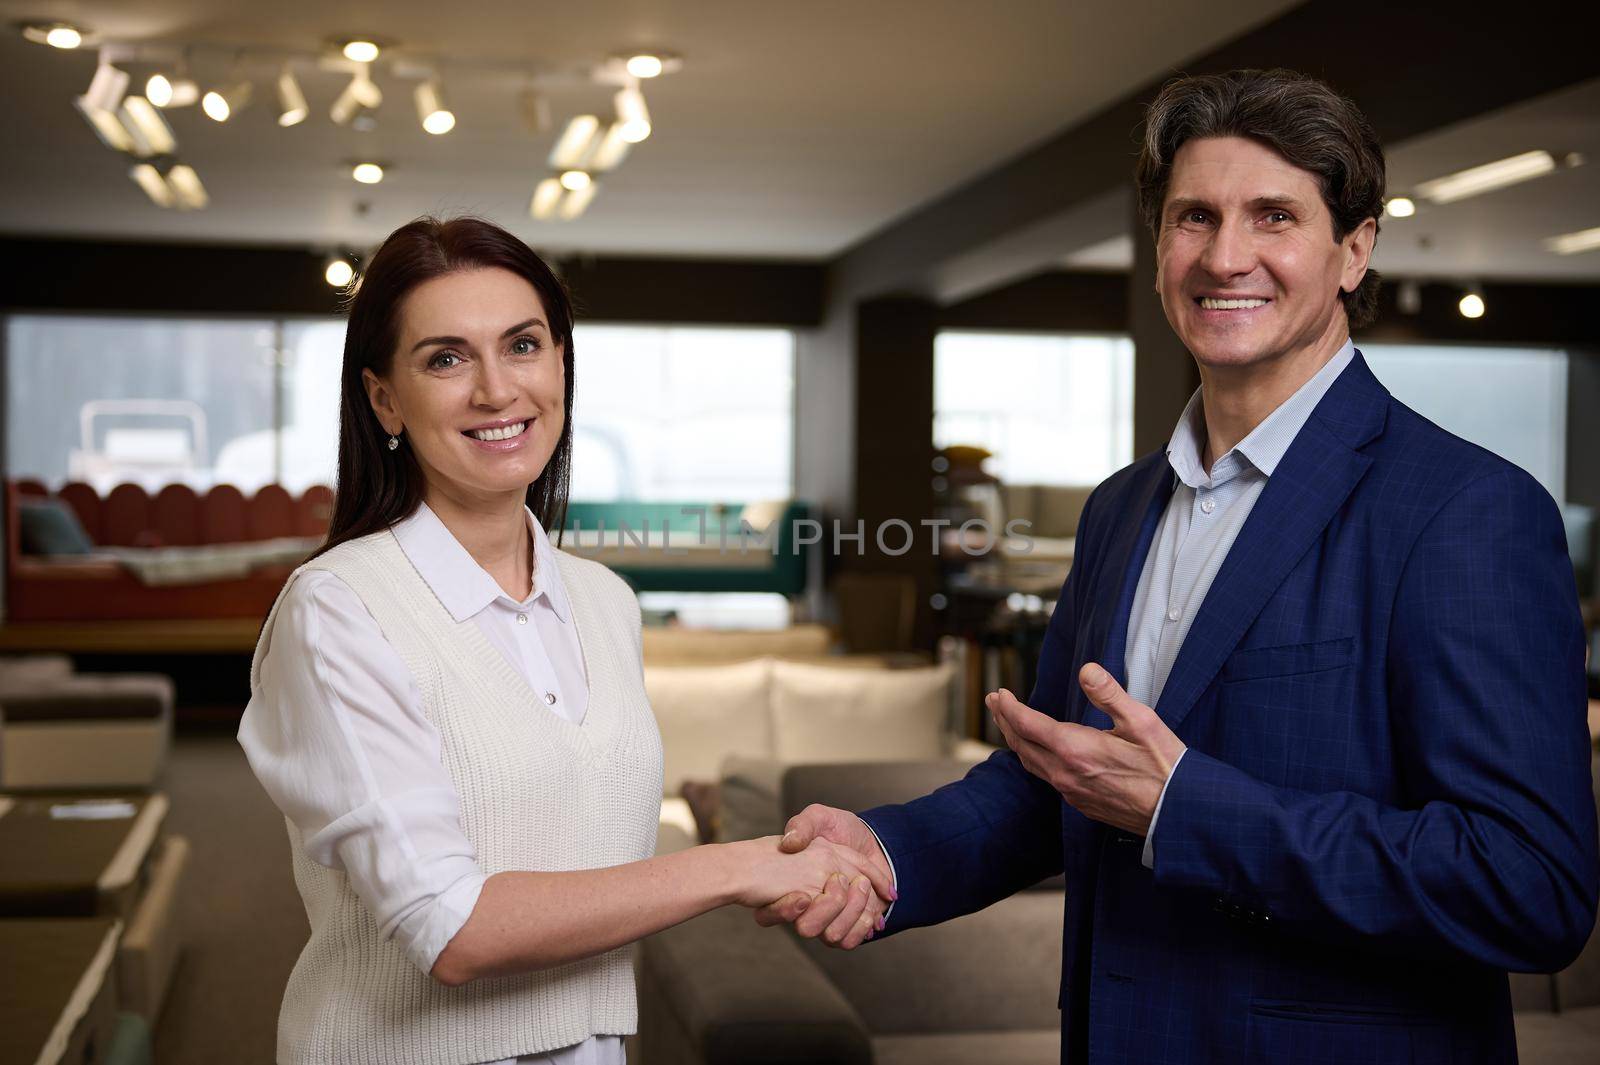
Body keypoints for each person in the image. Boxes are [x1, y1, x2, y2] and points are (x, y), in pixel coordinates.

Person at [760, 69, 1599, 1063]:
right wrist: (891, 851)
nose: (1224, 256)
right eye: (1192, 217)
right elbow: (1060, 782)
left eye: (1273, 216)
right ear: (1158, 248)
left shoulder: (1465, 511)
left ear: (1354, 248)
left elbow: (1527, 884)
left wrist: (1182, 807)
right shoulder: (1122, 507)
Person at [239, 217, 891, 1065]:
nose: (496, 389)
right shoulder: (337, 610)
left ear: (560, 364)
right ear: (384, 399)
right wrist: (738, 865)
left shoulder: (605, 600)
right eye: (446, 358)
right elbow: (452, 928)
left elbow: (585, 845)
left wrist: (809, 859)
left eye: (523, 344)